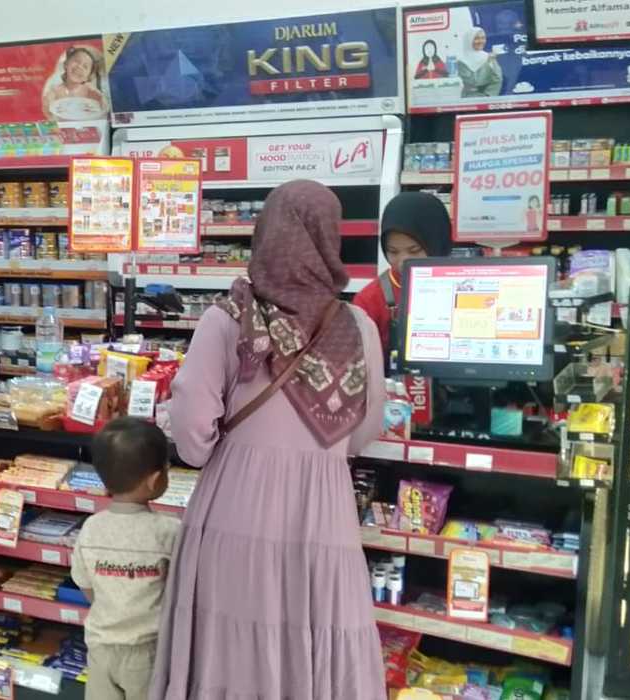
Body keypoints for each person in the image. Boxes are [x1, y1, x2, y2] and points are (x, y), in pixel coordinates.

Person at [151, 180, 386, 700]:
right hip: (324, 513)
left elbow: (192, 432)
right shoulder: (359, 327)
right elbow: (364, 431)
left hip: (236, 506)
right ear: (330, 239)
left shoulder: (229, 318)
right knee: (316, 628)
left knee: (233, 639)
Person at [72, 417, 180, 700]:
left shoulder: (91, 527)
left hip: (100, 646)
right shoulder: (169, 531)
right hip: (148, 650)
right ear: (155, 480)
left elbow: (85, 585)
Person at [352, 191, 453, 355]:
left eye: (414, 251)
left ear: (437, 243)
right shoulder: (369, 300)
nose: (402, 261)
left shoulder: (466, 284)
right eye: (393, 251)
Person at [42, 46, 109, 120]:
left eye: (85, 66)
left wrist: (102, 100)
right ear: (66, 64)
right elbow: (49, 98)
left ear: (87, 77)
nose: (80, 67)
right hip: (64, 122)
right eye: (77, 61)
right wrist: (48, 102)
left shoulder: (88, 88)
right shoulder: (57, 90)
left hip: (85, 121)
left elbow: (100, 98)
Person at [457, 28, 502, 97]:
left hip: (488, 98)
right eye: (476, 38)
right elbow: (474, 82)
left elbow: (498, 79)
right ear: (469, 40)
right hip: (469, 99)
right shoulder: (462, 61)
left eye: (483, 38)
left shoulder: (488, 57)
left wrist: (488, 95)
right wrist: (487, 63)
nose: (481, 41)